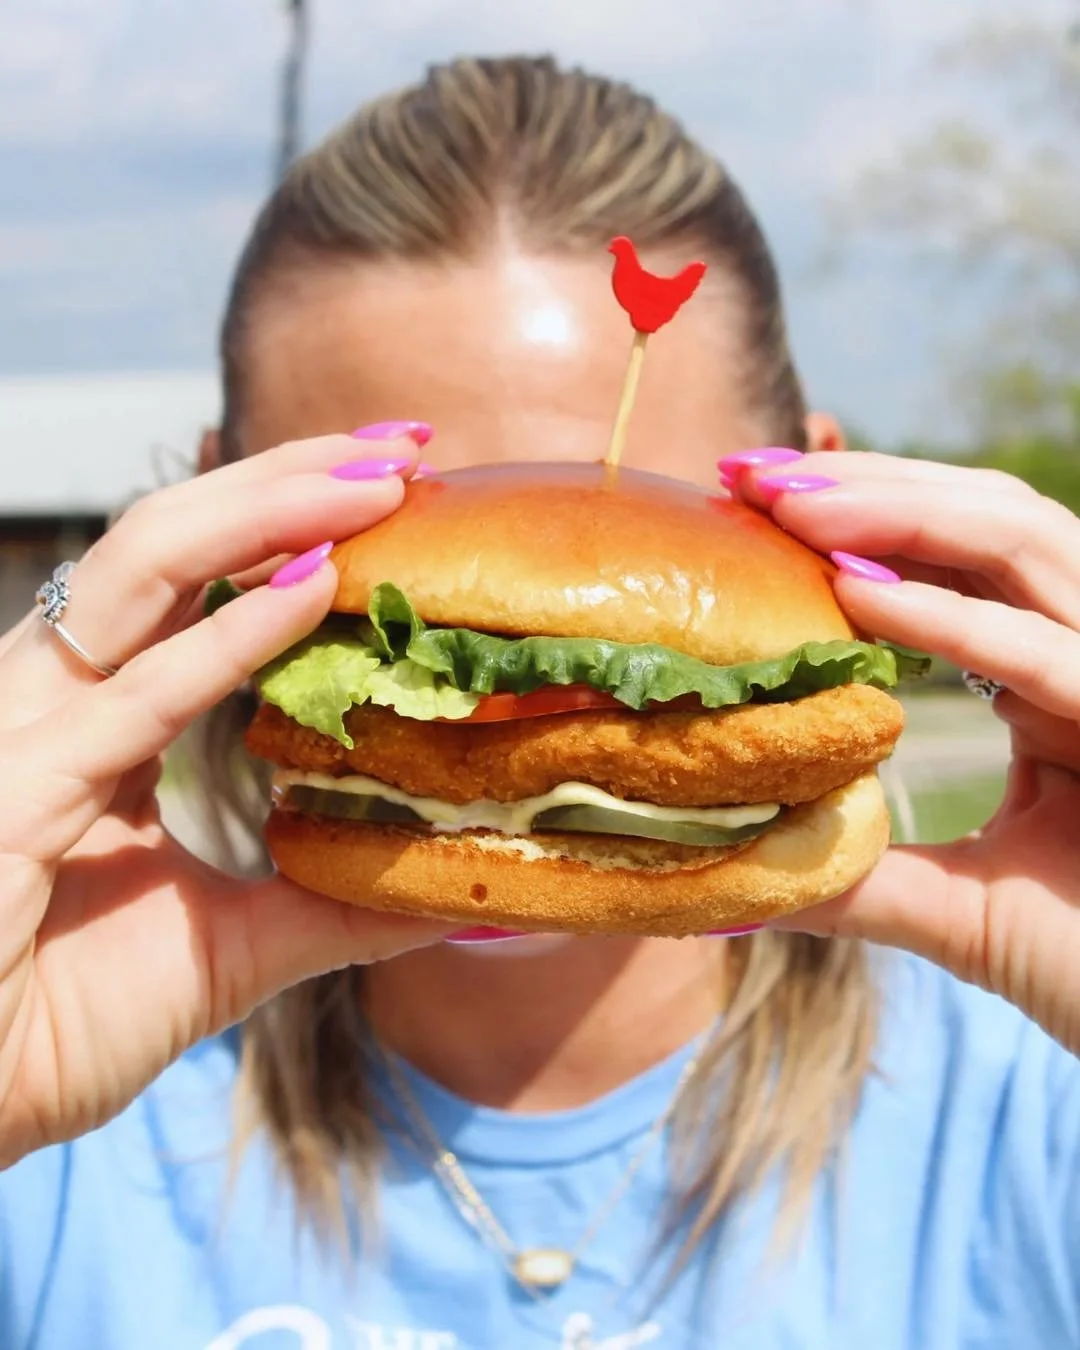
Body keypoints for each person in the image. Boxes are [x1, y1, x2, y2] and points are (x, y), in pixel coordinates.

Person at [1, 55, 1078, 1350]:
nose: (511, 717)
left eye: (615, 564)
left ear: (819, 502)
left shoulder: (1034, 1112)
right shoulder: (56, 1127)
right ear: (221, 524)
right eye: (400, 536)